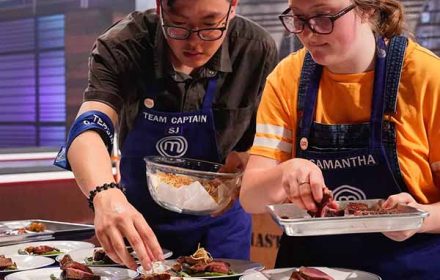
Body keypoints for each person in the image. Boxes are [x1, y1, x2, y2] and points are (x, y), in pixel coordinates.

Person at [54, 0, 278, 271]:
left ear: (233, 7)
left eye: (210, 26)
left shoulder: (254, 49)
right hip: (139, 220)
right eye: (179, 26)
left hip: (220, 227)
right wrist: (104, 194)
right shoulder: (124, 44)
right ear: (160, 7)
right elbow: (89, 126)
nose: (195, 43)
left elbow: (262, 139)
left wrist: (244, 163)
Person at [239, 0, 440, 278]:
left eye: (323, 17)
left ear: (368, 8)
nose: (308, 33)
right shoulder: (287, 79)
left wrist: (418, 218)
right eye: (298, 18)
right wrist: (287, 171)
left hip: (408, 268)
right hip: (309, 269)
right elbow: (250, 198)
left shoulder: (427, 78)